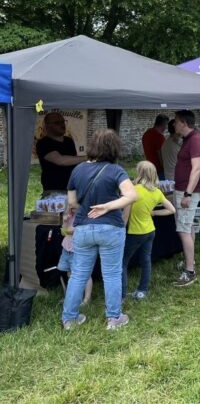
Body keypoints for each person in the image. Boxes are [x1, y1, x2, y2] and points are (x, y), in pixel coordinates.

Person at [61, 129, 138, 330]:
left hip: (83, 229)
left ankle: (69, 319)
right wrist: (108, 206)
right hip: (111, 228)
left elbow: (71, 202)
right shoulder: (116, 170)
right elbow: (132, 195)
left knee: (78, 274)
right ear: (115, 149)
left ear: (92, 146)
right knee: (111, 274)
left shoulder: (77, 170)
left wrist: (86, 209)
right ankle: (114, 318)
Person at [121, 161, 176, 300]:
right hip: (150, 230)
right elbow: (172, 209)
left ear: (138, 173)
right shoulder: (156, 192)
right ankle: (142, 291)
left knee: (122, 263)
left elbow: (125, 216)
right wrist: (155, 213)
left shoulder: (133, 191)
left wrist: (120, 231)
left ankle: (122, 295)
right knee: (146, 261)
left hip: (135, 232)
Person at [172, 110, 200, 287]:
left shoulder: (195, 140)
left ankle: (190, 271)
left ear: (184, 123)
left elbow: (196, 169)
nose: (174, 124)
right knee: (189, 226)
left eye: (176, 122)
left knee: (183, 229)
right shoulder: (189, 139)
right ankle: (190, 261)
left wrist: (187, 193)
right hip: (184, 189)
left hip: (188, 192)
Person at [36, 112, 86, 193]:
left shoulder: (68, 141)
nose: (62, 125)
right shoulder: (44, 143)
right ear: (47, 125)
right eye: (57, 123)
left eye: (63, 121)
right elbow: (60, 161)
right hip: (54, 190)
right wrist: (87, 157)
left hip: (72, 189)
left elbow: (74, 162)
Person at [57, 205, 93, 306]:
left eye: (73, 206)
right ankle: (73, 297)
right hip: (67, 249)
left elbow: (69, 231)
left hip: (78, 251)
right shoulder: (70, 216)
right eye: (70, 206)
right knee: (70, 274)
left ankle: (87, 299)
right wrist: (64, 221)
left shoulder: (84, 217)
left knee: (85, 275)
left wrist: (65, 227)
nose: (71, 208)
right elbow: (63, 233)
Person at [142, 114, 169, 179]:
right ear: (163, 124)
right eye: (166, 125)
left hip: (150, 167)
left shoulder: (146, 133)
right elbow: (161, 155)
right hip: (159, 170)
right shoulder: (159, 137)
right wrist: (165, 168)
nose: (166, 127)